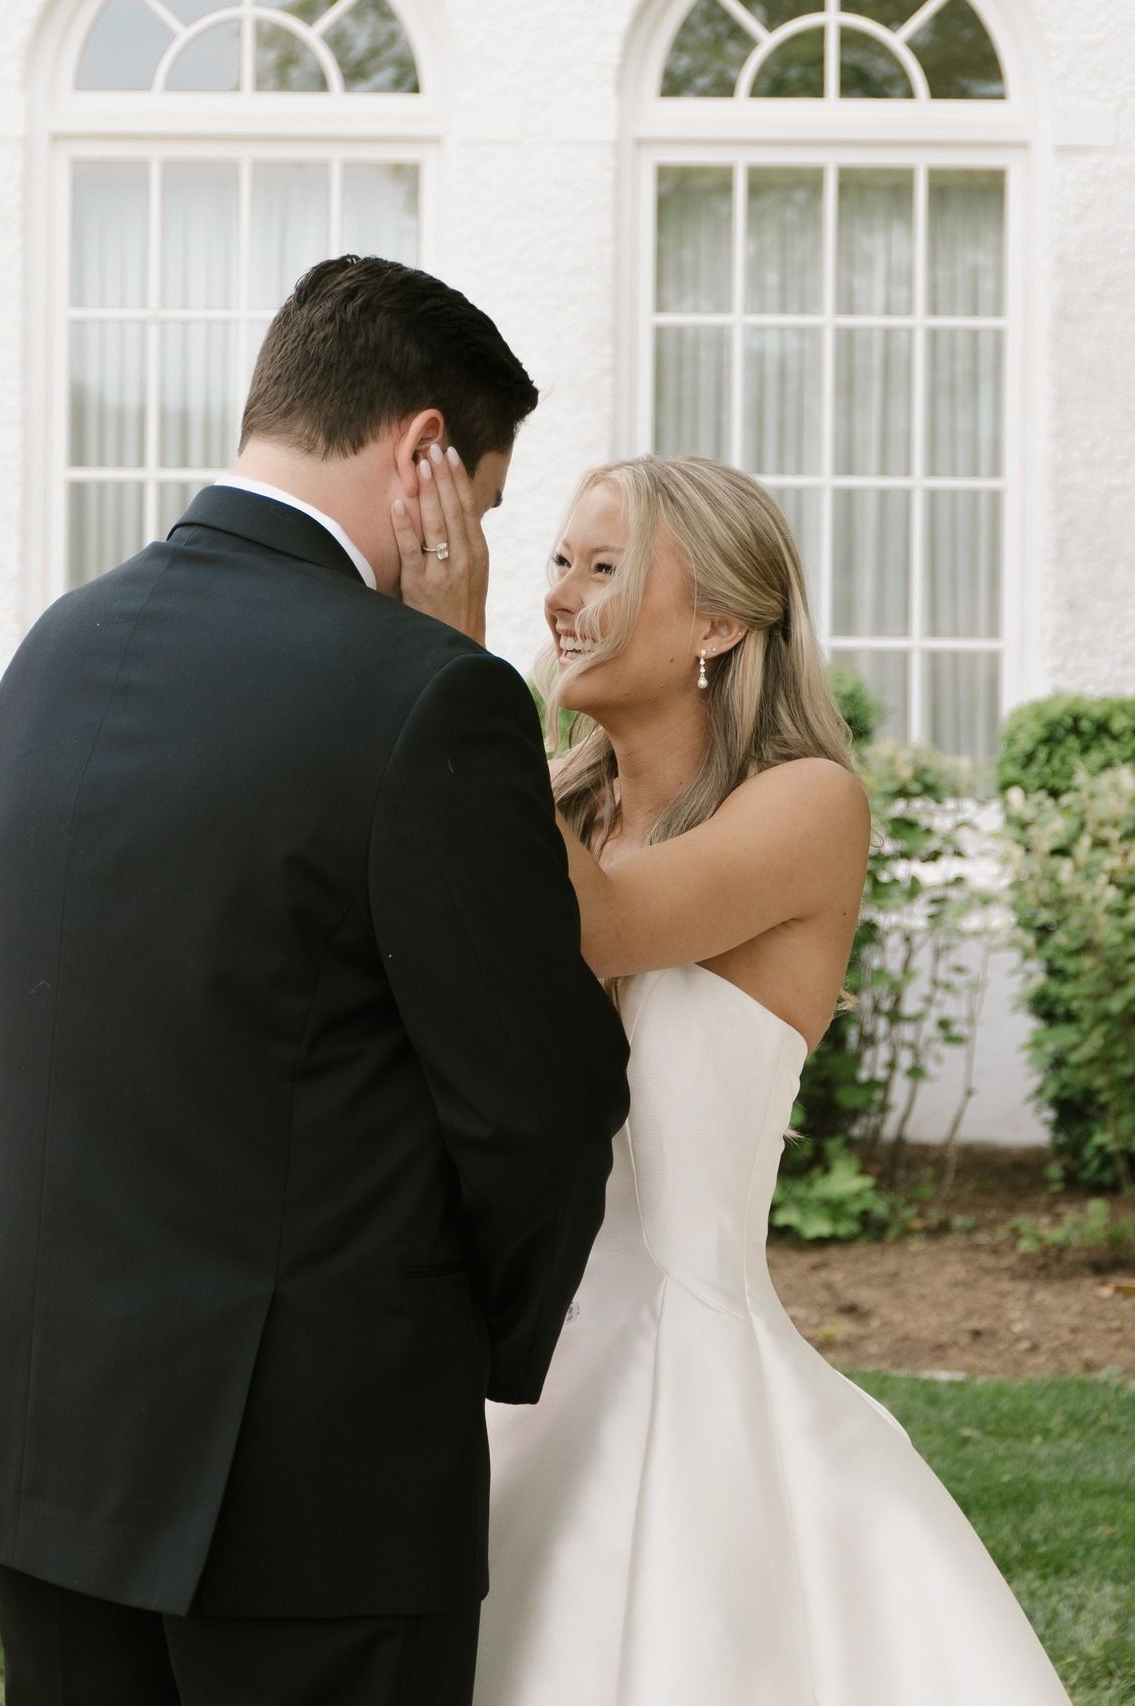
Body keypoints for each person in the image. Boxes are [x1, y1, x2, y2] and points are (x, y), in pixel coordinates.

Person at [0, 256, 630, 1706]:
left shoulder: (51, 651)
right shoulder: (426, 691)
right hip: (318, 1484)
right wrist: (462, 1340)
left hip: (49, 1444)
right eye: (484, 505)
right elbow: (541, 1099)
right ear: (424, 453)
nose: (474, 542)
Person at [406, 453, 1072, 1705]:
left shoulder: (809, 804)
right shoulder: (555, 804)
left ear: (718, 621)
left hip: (680, 1371)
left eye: (607, 567)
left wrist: (453, 669)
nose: (561, 595)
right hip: (509, 1370)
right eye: (557, 559)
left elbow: (594, 927)